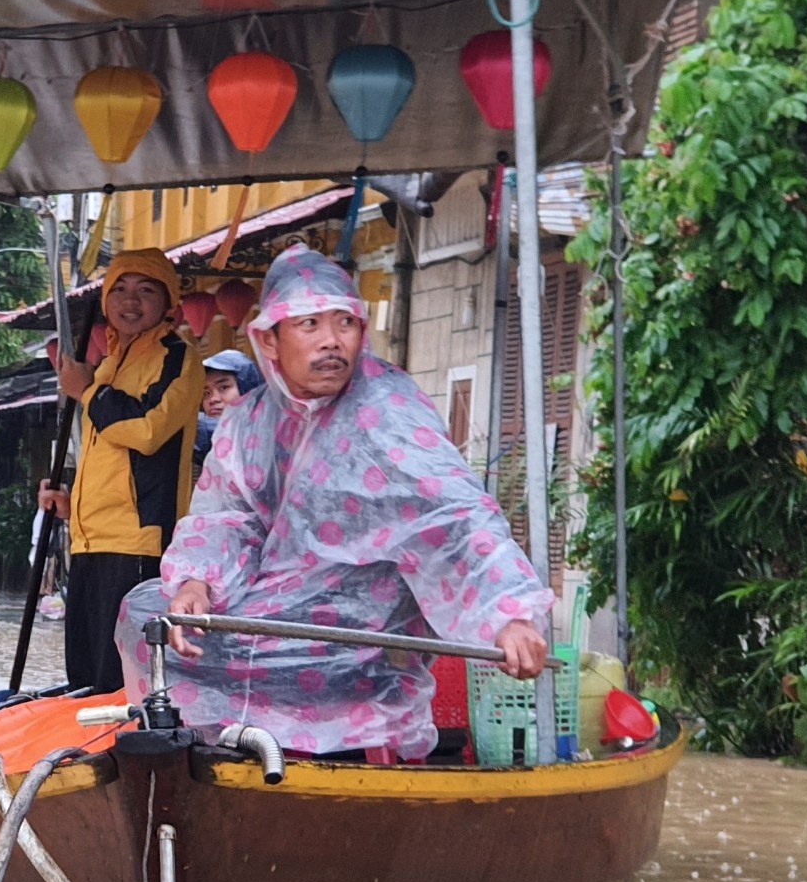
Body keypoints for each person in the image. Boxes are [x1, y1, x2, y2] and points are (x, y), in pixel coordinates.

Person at [118, 244, 551, 762]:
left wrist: (510, 615)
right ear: (270, 339)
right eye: (309, 324)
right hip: (271, 601)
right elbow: (227, 517)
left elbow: (457, 516)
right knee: (145, 611)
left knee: (300, 646)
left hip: (361, 619)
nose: (331, 341)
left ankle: (328, 747)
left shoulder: (388, 410)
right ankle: (214, 748)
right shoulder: (248, 419)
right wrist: (196, 583)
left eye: (344, 322)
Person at [36, 248, 205, 692]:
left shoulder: (177, 356)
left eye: (146, 290)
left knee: (124, 679)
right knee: (86, 672)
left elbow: (149, 431)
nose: (130, 301)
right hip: (92, 542)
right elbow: (113, 461)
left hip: (139, 543)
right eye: (120, 290)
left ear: (168, 303)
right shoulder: (109, 364)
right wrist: (72, 505)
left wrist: (88, 391)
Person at [193, 347, 262, 479]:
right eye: (206, 393)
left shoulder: (269, 430)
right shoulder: (206, 439)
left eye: (223, 388)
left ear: (247, 388)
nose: (213, 399)